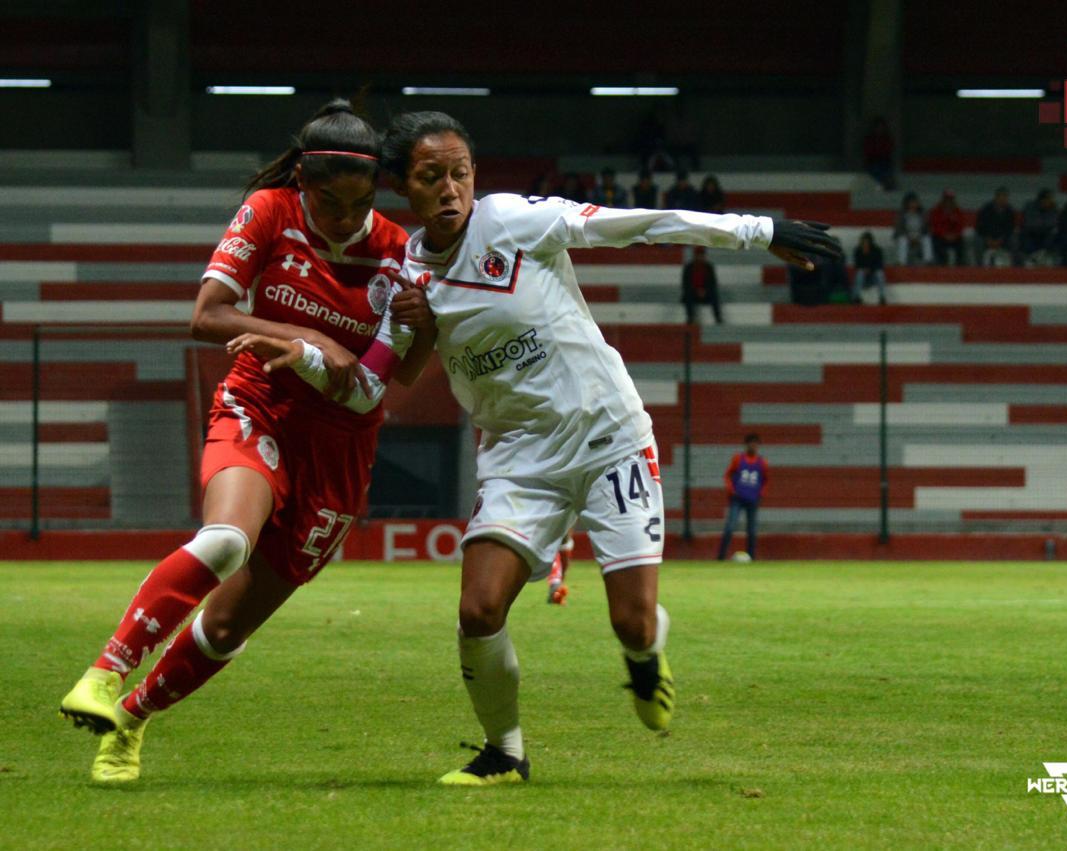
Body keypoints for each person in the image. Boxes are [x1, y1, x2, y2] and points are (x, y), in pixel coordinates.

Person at [243, 110, 842, 785]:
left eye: (460, 172)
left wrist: (757, 233)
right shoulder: (407, 277)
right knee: (478, 607)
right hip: (519, 458)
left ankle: (646, 659)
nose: (450, 188)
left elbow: (633, 224)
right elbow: (369, 389)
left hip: (607, 436)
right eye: (430, 176)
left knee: (634, 623)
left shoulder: (512, 220)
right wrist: (303, 354)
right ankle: (504, 752)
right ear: (402, 189)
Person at [56, 101, 430, 783]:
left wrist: (423, 323)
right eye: (329, 200)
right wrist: (307, 337)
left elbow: (392, 374)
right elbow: (207, 314)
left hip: (341, 452)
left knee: (229, 628)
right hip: (258, 403)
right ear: (302, 183)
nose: (345, 217)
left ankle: (131, 720)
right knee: (226, 538)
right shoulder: (268, 211)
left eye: (359, 203)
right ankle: (105, 672)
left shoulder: (402, 254)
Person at [717, 434, 769, 561]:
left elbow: (765, 480)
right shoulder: (738, 459)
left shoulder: (762, 463)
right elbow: (728, 475)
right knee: (730, 526)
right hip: (737, 498)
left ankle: (752, 556)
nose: (753, 446)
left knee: (752, 529)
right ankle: (721, 556)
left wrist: (761, 493)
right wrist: (732, 490)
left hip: (752, 499)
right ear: (746, 445)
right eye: (751, 443)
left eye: (755, 444)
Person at [681, 245, 723, 323]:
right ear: (695, 256)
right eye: (698, 255)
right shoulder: (688, 268)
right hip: (693, 293)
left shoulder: (709, 267)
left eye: (701, 255)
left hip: (706, 293)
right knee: (688, 295)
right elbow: (685, 284)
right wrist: (696, 291)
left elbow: (713, 283)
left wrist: (705, 291)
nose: (700, 257)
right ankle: (690, 318)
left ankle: (718, 318)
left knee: (714, 295)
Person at [975, 187, 1015, 266]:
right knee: (978, 241)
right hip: (987, 237)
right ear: (996, 197)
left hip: (1002, 238)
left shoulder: (1009, 211)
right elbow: (980, 226)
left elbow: (1009, 229)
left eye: (1005, 197)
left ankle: (1014, 265)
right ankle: (979, 266)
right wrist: (988, 239)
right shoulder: (986, 209)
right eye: (1001, 197)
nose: (1003, 199)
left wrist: (1001, 240)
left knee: (1014, 241)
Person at [1019, 189, 1058, 265]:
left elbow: (1053, 223)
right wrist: (1042, 225)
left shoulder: (1053, 208)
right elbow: (1029, 223)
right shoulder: (1030, 206)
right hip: (1031, 233)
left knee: (1053, 234)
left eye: (1051, 199)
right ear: (1042, 200)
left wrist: (1043, 225)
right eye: (1048, 199)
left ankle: (1042, 256)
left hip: (1045, 234)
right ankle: (1032, 258)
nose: (1050, 201)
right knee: (1024, 234)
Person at [929, 189, 965, 266]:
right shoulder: (936, 211)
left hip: (954, 237)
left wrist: (955, 235)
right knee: (936, 242)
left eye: (950, 199)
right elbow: (934, 226)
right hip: (941, 237)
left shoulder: (957, 211)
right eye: (947, 199)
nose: (948, 202)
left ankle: (960, 266)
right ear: (943, 199)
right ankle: (941, 265)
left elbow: (960, 226)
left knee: (961, 243)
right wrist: (944, 235)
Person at [894, 192, 932, 264]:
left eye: (915, 202)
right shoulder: (901, 215)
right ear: (907, 203)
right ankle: (901, 262)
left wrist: (918, 237)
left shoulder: (923, 214)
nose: (914, 204)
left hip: (919, 236)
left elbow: (926, 228)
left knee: (927, 239)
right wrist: (909, 237)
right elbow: (899, 229)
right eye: (912, 202)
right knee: (902, 240)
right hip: (906, 236)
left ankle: (928, 261)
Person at [852, 231, 885, 304]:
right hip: (862, 276)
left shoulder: (877, 251)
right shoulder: (858, 251)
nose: (866, 243)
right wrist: (864, 269)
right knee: (860, 273)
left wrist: (871, 269)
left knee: (880, 274)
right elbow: (857, 265)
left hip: (873, 276)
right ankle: (856, 297)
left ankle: (882, 297)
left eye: (867, 241)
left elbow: (880, 264)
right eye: (864, 241)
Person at [863, 116, 895, 190]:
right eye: (878, 127)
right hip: (872, 163)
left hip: (885, 163)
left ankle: (886, 184)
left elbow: (888, 150)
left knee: (887, 171)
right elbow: (868, 152)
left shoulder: (887, 139)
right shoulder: (869, 139)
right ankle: (882, 184)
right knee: (875, 170)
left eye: (881, 127)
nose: (879, 129)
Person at [546, 531, 574, 605]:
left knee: (564, 566)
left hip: (565, 540)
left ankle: (557, 592)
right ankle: (555, 587)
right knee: (554, 557)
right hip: (552, 537)